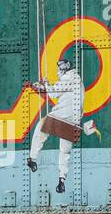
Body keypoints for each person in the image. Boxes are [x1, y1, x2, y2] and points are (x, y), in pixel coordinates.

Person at [27, 54, 85, 194]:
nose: (58, 70)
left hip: (61, 117)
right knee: (65, 151)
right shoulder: (78, 81)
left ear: (66, 68)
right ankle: (61, 180)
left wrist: (46, 84)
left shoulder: (69, 77)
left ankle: (32, 158)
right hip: (74, 122)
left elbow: (53, 94)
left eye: (60, 67)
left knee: (40, 129)